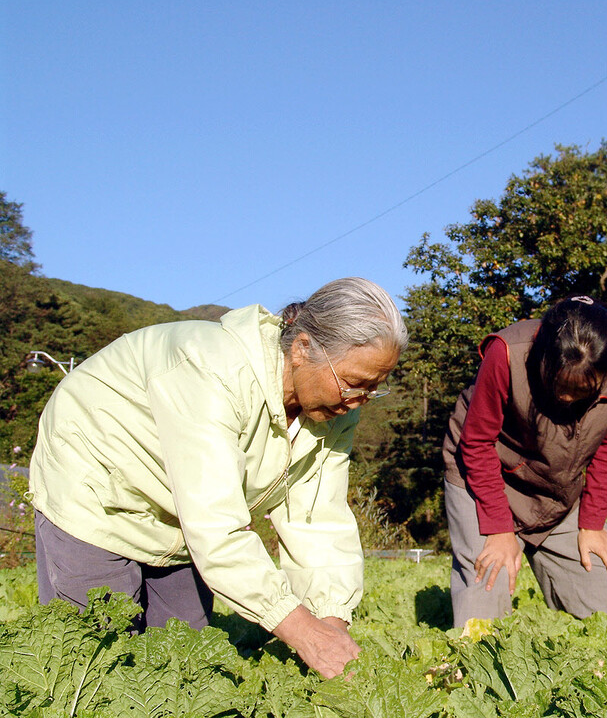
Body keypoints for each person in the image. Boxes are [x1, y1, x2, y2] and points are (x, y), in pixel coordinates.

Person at [28, 277, 407, 678]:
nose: (359, 400)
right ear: (302, 348)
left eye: (374, 388)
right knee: (96, 662)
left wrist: (329, 619)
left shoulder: (335, 411)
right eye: (354, 383)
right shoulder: (212, 369)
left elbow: (317, 517)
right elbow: (216, 525)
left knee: (185, 667)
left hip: (180, 519)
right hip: (96, 495)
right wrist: (301, 631)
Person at [442, 295, 607, 629]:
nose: (566, 398)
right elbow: (477, 442)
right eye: (558, 384)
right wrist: (500, 531)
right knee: (487, 592)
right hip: (484, 476)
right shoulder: (507, 353)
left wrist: (593, 524)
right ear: (543, 355)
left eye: (581, 390)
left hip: (556, 490)